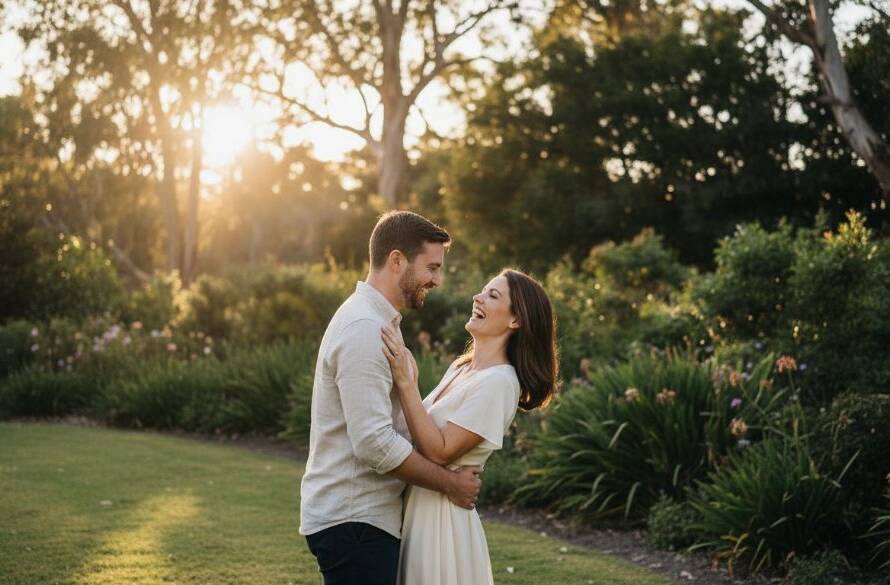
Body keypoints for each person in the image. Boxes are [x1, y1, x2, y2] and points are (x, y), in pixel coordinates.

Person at [299, 211, 483, 585]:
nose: (437, 279)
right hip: (355, 520)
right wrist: (448, 483)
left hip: (361, 520)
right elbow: (373, 443)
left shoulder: (377, 322)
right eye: (431, 267)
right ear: (397, 260)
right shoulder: (364, 329)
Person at [381, 268, 559, 585]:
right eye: (482, 290)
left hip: (440, 522)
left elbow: (439, 450)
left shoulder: (501, 382)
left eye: (493, 295)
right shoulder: (461, 367)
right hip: (417, 507)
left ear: (515, 320)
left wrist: (407, 384)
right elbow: (417, 433)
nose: (477, 297)